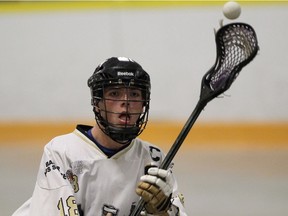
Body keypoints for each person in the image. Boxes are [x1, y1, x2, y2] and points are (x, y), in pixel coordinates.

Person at [12, 57, 187, 216]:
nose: (125, 101)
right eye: (114, 93)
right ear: (97, 102)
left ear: (143, 104)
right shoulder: (61, 152)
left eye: (134, 94)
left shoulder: (154, 158)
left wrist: (161, 211)